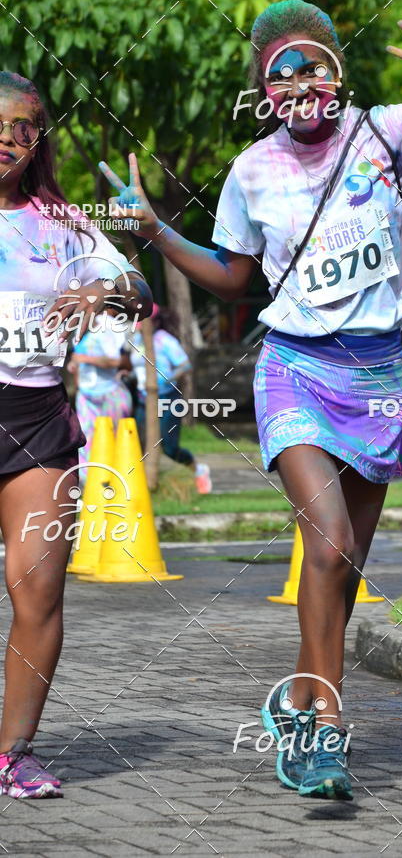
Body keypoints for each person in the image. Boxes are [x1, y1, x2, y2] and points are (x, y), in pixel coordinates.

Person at [101, 0, 402, 799]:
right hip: (295, 368)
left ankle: (299, 699)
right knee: (328, 547)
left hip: (377, 378)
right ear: (264, 91)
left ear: (338, 73)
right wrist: (155, 230)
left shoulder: (391, 132)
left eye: (314, 67)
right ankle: (325, 733)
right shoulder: (251, 171)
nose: (300, 83)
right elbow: (234, 276)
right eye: (282, 74)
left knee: (343, 570)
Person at [0, 71, 152, 798]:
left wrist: (100, 289)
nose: (7, 139)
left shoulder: (62, 223)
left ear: (39, 140)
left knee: (38, 590)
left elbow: (138, 293)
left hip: (35, 422)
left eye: (23, 127)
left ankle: (11, 754)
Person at [130, 304, 194, 467]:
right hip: (143, 399)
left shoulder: (165, 339)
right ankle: (144, 478)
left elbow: (185, 366)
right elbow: (137, 365)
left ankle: (196, 469)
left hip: (167, 398)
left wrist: (165, 380)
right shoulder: (137, 340)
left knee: (169, 447)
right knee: (139, 442)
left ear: (155, 322)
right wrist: (128, 374)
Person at [68, 319, 133, 477]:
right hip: (86, 396)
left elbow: (117, 361)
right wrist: (74, 367)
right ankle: (88, 483)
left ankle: (115, 481)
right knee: (85, 441)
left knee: (114, 440)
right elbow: (77, 360)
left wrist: (85, 359)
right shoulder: (79, 333)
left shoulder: (107, 329)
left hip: (110, 394)